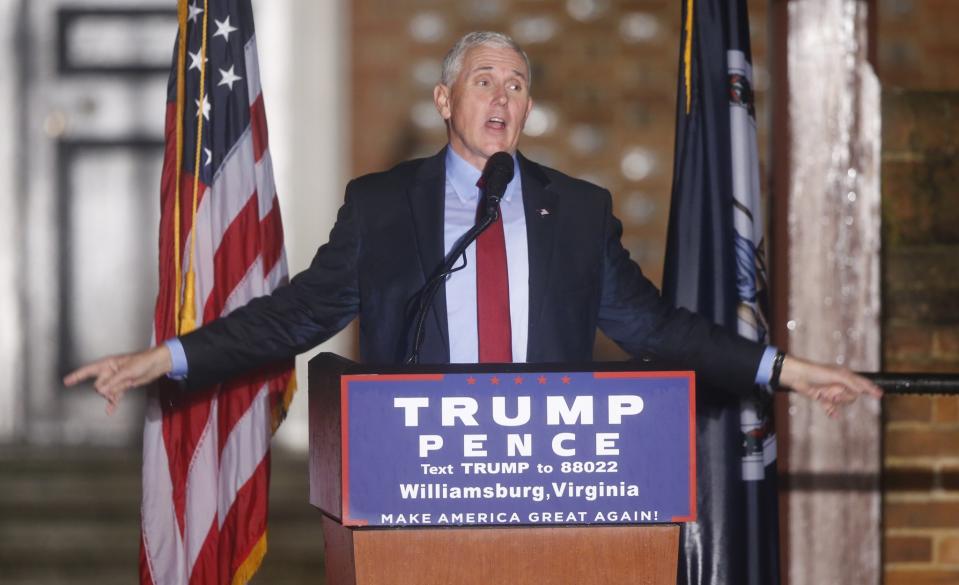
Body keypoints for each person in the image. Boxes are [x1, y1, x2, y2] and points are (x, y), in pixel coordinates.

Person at [64, 31, 881, 413]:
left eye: (516, 84)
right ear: (445, 102)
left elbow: (656, 330)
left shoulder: (579, 210)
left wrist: (784, 370)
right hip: (415, 469)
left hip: (545, 474)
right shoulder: (384, 207)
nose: (501, 97)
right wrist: (168, 355)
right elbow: (298, 314)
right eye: (483, 80)